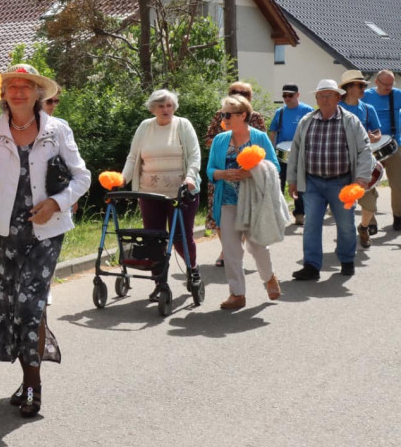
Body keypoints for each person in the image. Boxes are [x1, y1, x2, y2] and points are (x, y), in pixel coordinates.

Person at [0, 64, 91, 417]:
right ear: (2, 93)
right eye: (11, 86)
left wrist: (56, 203)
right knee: (9, 308)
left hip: (46, 230)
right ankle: (26, 376)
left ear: (39, 93)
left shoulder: (57, 129)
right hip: (4, 230)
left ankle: (34, 385)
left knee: (29, 306)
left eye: (27, 86)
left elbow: (82, 177)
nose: (19, 91)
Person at [286, 79, 374, 280]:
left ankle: (346, 260)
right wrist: (292, 180)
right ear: (316, 98)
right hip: (312, 183)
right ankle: (311, 266)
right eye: (321, 95)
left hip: (342, 182)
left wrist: (361, 177)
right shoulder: (306, 121)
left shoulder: (351, 121)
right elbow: (295, 152)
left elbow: (364, 150)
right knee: (311, 225)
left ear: (338, 97)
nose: (324, 99)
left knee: (345, 224)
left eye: (329, 95)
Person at [120, 89, 201, 300]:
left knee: (180, 238)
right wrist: (121, 179)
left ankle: (193, 270)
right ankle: (159, 283)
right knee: (153, 239)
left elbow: (194, 155)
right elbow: (132, 157)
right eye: (161, 106)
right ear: (153, 108)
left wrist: (191, 177)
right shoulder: (145, 127)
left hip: (181, 193)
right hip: (150, 194)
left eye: (169, 105)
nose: (166, 109)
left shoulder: (183, 125)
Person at [207, 95, 284, 309]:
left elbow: (274, 166)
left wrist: (251, 173)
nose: (224, 118)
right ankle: (237, 294)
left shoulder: (259, 137)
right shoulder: (220, 140)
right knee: (231, 251)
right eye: (222, 114)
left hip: (254, 203)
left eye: (228, 114)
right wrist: (223, 174)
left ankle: (269, 277)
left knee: (257, 246)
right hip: (227, 202)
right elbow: (210, 170)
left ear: (243, 115)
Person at [205, 82, 267, 266]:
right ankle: (227, 250)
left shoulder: (255, 118)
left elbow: (263, 149)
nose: (238, 94)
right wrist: (223, 144)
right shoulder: (221, 115)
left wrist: (249, 166)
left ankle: (263, 269)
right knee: (219, 218)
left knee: (251, 230)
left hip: (249, 181)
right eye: (234, 92)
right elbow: (208, 139)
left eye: (244, 93)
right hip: (223, 176)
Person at [339, 70, 382, 249]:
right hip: (340, 162)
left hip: (363, 161)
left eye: (364, 85)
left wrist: (374, 138)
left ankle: (363, 227)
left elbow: (378, 132)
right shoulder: (336, 108)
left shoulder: (367, 109)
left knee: (370, 206)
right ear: (349, 88)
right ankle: (345, 241)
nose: (364, 88)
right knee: (343, 205)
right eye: (360, 85)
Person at [268, 83, 313, 225]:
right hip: (282, 153)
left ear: (298, 95)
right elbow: (273, 131)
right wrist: (272, 150)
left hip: (301, 152)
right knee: (279, 182)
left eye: (290, 95)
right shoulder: (280, 112)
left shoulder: (308, 110)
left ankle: (299, 213)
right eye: (284, 95)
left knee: (300, 183)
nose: (286, 98)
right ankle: (278, 213)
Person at [363, 69, 401, 231]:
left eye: (391, 84)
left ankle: (398, 217)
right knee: (369, 184)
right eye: (385, 84)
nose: (388, 87)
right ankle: (370, 221)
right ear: (376, 82)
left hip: (394, 144)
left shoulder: (397, 95)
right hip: (371, 147)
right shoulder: (366, 96)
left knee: (398, 184)